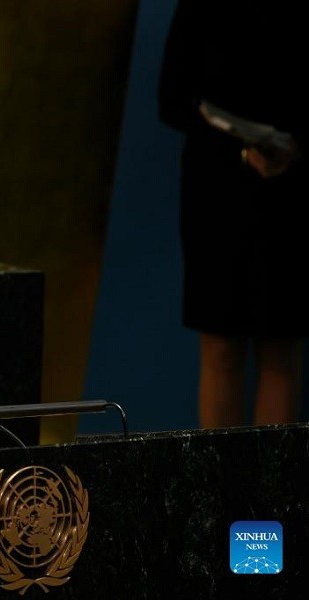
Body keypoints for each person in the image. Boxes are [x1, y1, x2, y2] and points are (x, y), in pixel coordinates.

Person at [158, 0, 307, 428]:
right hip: (217, 192)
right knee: (221, 346)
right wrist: (243, 150)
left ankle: (274, 494)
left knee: (281, 349)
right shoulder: (202, 8)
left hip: (291, 194)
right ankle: (220, 491)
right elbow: (171, 100)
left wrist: (290, 151)